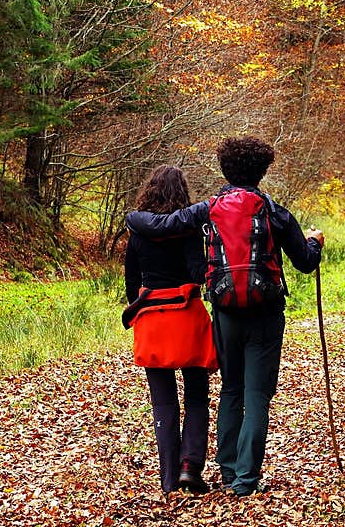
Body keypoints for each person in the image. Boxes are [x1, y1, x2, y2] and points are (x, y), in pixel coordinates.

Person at [126, 136, 324, 496]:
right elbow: (305, 262)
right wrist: (315, 242)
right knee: (257, 394)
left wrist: (131, 218)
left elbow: (162, 225)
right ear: (262, 171)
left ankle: (229, 469)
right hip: (266, 312)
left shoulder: (209, 208)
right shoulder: (274, 211)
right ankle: (245, 480)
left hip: (226, 312)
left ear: (224, 169)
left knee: (231, 388)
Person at [122, 165, 218, 496]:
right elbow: (198, 273)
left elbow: (132, 282)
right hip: (186, 318)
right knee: (196, 396)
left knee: (163, 402)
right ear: (182, 194)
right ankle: (190, 467)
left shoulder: (137, 232)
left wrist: (142, 309)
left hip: (151, 320)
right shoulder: (189, 230)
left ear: (149, 190)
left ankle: (167, 478)